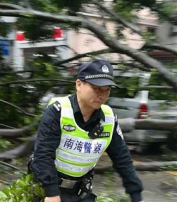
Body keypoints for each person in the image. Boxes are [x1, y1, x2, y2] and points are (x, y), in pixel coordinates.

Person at [32, 59, 144, 202]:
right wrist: (51, 193)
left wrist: (136, 196)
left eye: (107, 89)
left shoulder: (108, 119)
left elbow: (122, 159)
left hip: (81, 192)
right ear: (79, 84)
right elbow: (43, 154)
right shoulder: (58, 111)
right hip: (49, 189)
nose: (102, 95)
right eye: (97, 88)